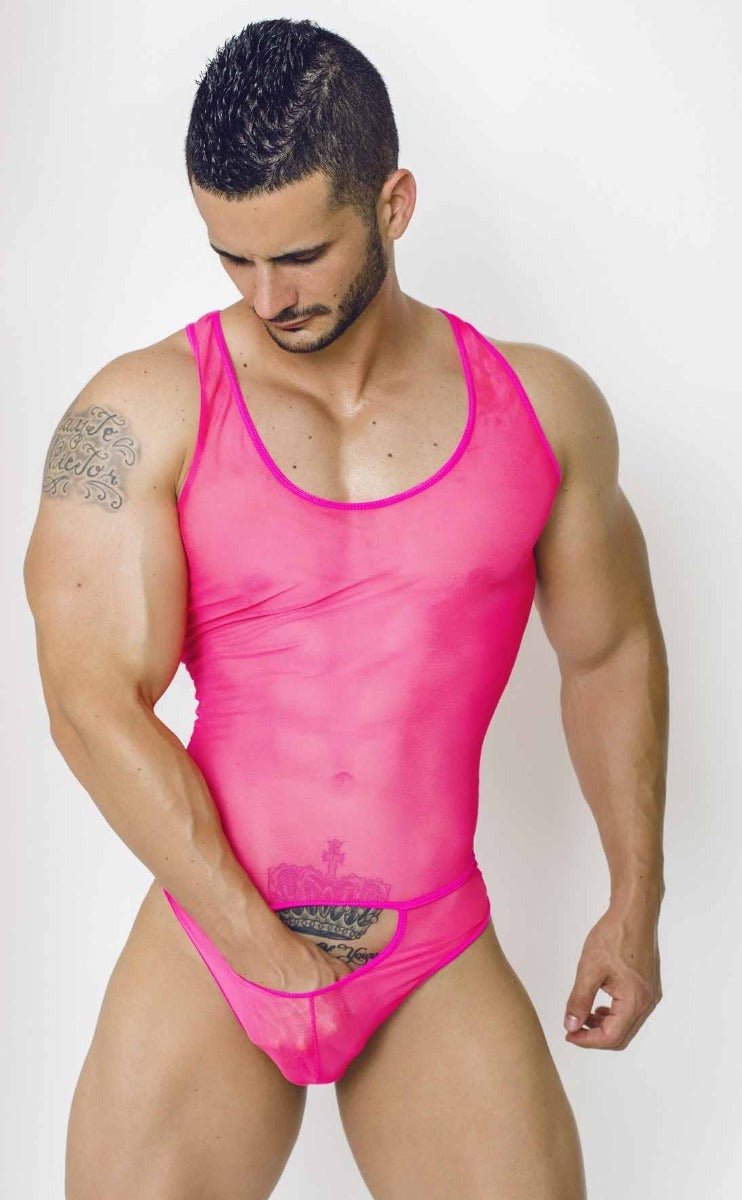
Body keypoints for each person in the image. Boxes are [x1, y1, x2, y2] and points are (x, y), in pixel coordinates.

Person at [23, 16, 667, 1200]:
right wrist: (260, 950)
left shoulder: (540, 410)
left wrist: (635, 902)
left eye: (301, 254)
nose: (267, 296)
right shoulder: (138, 414)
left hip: (433, 949)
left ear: (393, 203)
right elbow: (88, 706)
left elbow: (609, 651)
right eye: (232, 258)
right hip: (210, 940)